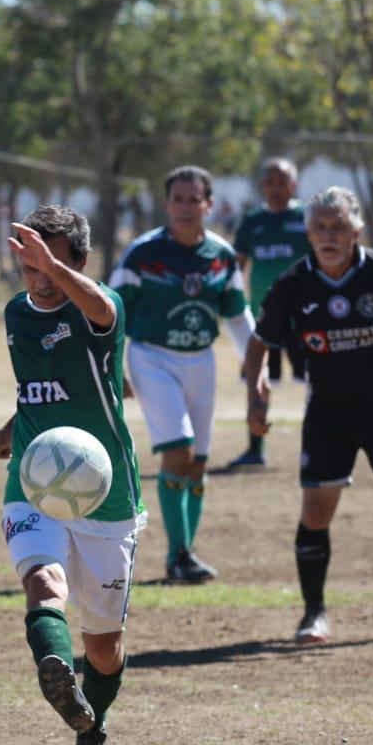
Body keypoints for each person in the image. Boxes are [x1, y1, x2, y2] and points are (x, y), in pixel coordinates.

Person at [0, 206, 144, 745]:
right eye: (30, 265)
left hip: (107, 492)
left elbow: (100, 309)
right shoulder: (16, 313)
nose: (40, 277)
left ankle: (91, 729)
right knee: (43, 582)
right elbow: (40, 388)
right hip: (34, 477)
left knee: (103, 646)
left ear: (81, 260)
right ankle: (54, 667)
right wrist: (12, 428)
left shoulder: (101, 308)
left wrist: (53, 266)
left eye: (51, 263)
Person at [245, 187, 373, 645]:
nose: (329, 235)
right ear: (307, 233)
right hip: (329, 410)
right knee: (316, 510)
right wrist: (255, 395)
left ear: (356, 231)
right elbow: (260, 341)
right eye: (320, 227)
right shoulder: (292, 283)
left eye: (338, 226)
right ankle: (314, 614)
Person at [111, 165, 254, 584]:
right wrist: (112, 366)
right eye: (179, 199)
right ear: (166, 203)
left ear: (209, 205)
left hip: (201, 361)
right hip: (152, 358)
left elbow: (238, 316)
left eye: (195, 200)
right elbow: (110, 312)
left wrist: (257, 368)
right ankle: (178, 555)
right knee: (179, 453)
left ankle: (185, 553)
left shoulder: (221, 255)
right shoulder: (142, 254)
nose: (186, 208)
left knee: (197, 464)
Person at [227, 158, 311, 470]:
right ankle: (255, 448)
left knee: (320, 381)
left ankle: (321, 446)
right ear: (262, 185)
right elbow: (237, 267)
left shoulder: (307, 218)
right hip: (263, 317)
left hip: (305, 317)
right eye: (270, 182)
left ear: (294, 185)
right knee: (258, 381)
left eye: (283, 182)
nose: (276, 188)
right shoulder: (252, 222)